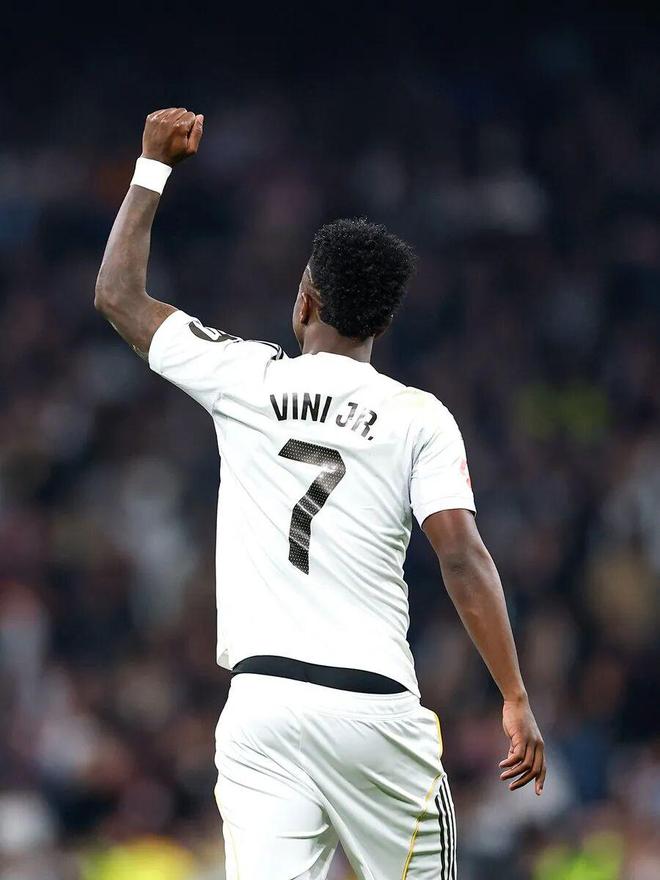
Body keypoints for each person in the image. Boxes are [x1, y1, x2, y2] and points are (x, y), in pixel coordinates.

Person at [95, 107, 546, 880]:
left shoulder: (246, 376)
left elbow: (117, 295)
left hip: (263, 707)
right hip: (374, 710)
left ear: (305, 300)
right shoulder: (418, 416)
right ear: (383, 323)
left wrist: (152, 166)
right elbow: (462, 558)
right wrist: (513, 695)